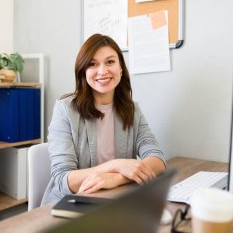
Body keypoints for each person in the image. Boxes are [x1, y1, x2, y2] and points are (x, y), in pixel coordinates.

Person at [41, 34, 166, 205]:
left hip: (116, 199)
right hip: (72, 203)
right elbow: (64, 180)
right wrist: (115, 165)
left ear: (121, 68)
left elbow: (157, 160)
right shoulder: (65, 110)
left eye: (110, 62)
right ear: (84, 72)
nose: (102, 71)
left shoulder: (132, 109)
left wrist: (116, 180)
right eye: (93, 64)